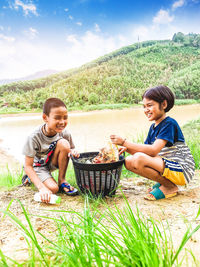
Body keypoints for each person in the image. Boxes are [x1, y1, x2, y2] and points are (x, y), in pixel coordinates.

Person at [110, 85, 195, 200]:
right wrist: (126, 148)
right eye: (144, 106)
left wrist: (125, 142)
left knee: (138, 158)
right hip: (169, 166)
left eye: (150, 105)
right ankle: (165, 183)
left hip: (182, 169)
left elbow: (153, 150)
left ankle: (170, 187)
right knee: (129, 161)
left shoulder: (169, 123)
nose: (146, 110)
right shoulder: (153, 127)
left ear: (164, 104)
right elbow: (147, 153)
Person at [22, 97, 79, 203]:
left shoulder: (65, 133)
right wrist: (41, 188)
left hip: (51, 162)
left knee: (64, 143)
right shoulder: (33, 137)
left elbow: (71, 148)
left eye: (65, 118)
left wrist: (73, 152)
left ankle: (62, 180)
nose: (62, 122)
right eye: (57, 118)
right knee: (53, 189)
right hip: (37, 166)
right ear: (45, 117)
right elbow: (27, 166)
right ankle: (30, 178)